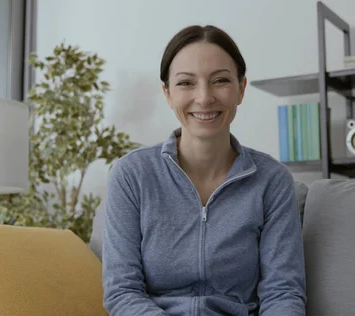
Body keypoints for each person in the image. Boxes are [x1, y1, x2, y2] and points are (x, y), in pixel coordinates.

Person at [102, 25, 306, 316]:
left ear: (241, 89)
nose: (204, 97)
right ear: (167, 93)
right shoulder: (132, 175)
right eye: (186, 83)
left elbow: (283, 293)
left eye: (220, 80)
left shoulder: (272, 180)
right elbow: (122, 292)